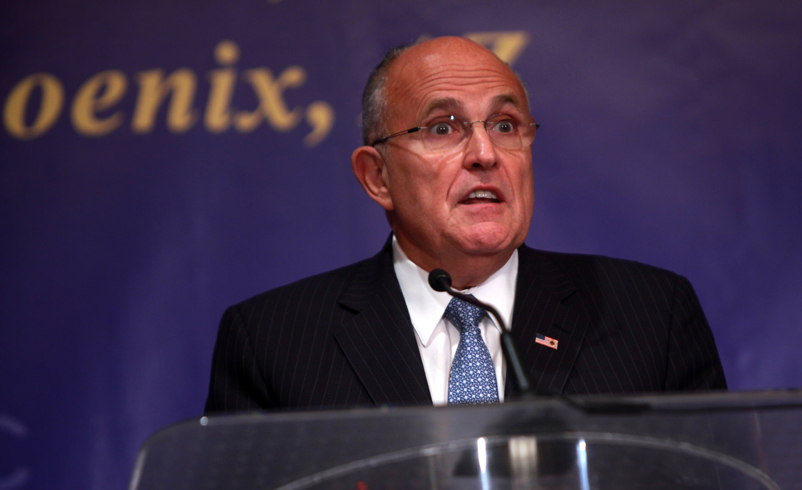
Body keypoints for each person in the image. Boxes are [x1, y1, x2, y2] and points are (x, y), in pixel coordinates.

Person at [205, 36, 725, 413]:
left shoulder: (652, 315)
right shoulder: (274, 342)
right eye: (442, 128)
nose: (485, 153)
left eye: (505, 126)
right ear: (377, 175)